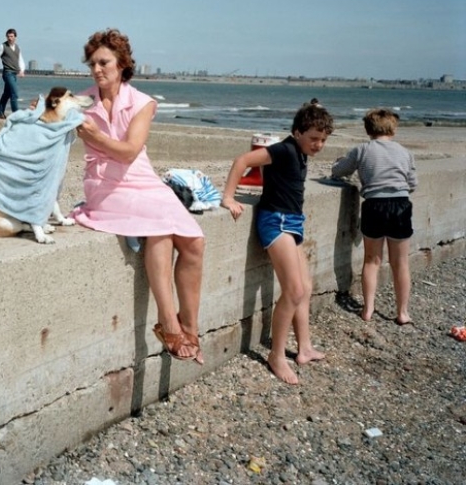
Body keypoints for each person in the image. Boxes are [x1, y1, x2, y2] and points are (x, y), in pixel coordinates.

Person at [70, 29, 205, 364]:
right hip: (105, 185)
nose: (97, 69)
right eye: (93, 64)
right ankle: (168, 322)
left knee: (194, 242)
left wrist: (94, 134)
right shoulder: (80, 101)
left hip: (141, 178)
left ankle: (190, 323)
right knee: (159, 228)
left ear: (121, 64)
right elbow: (47, 118)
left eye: (104, 62)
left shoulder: (142, 103)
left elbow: (130, 152)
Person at [220, 99, 334, 384]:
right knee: (294, 290)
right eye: (313, 139)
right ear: (297, 133)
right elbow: (242, 161)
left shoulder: (301, 151)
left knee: (305, 287)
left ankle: (305, 348)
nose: (318, 144)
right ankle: (277, 355)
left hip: (293, 222)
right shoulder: (284, 149)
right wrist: (229, 197)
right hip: (276, 221)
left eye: (322, 140)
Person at [330, 108, 417, 325]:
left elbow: (340, 171)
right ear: (393, 129)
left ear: (368, 129)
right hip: (399, 205)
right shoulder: (405, 152)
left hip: (374, 205)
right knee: (400, 262)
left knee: (372, 260)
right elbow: (413, 183)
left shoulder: (362, 150)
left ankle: (368, 309)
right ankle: (402, 312)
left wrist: (338, 164)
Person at [0, 28, 25, 119]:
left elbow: (20, 59)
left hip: (14, 74)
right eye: (8, 36)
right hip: (7, 73)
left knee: (7, 94)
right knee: (14, 93)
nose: (10, 38)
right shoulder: (3, 46)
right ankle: (16, 116)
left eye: (12, 36)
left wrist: (22, 70)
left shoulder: (18, 47)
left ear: (15, 37)